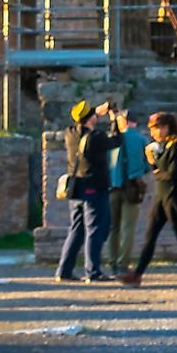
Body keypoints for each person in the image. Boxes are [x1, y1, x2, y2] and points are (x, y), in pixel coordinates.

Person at [119, 110, 177, 287]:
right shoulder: (164, 147)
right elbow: (159, 169)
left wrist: (157, 171)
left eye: (155, 129)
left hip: (174, 197)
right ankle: (138, 274)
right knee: (151, 235)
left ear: (165, 128)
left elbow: (172, 174)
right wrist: (152, 159)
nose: (152, 133)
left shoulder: (176, 147)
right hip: (161, 196)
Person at [54, 99, 115, 283]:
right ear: (90, 119)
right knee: (95, 230)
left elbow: (83, 120)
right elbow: (116, 140)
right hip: (94, 187)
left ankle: (63, 271)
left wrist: (96, 111)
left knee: (76, 230)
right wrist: (114, 120)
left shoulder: (69, 133)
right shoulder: (95, 137)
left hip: (76, 188)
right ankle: (93, 271)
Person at [105, 107, 149, 273]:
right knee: (128, 227)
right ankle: (123, 263)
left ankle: (112, 262)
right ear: (135, 122)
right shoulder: (141, 140)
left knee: (113, 227)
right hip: (133, 186)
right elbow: (148, 164)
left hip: (113, 186)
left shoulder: (112, 139)